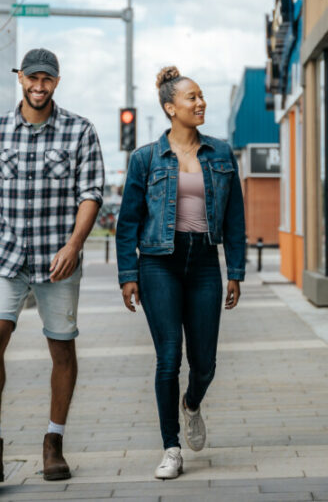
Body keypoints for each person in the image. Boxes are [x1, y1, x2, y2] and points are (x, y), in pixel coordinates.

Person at [0, 48, 104, 483]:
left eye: (47, 80)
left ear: (56, 83)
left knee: (61, 347)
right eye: (32, 78)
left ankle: (53, 442)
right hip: (5, 254)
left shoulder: (80, 131)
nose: (39, 87)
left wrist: (74, 245)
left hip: (57, 260)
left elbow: (91, 193)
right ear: (19, 77)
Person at [115, 66, 246, 480]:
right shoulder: (146, 158)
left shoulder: (222, 154)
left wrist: (236, 270)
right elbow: (128, 222)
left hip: (205, 261)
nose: (200, 102)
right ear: (171, 108)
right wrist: (127, 273)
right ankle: (171, 447)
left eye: (202, 95)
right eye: (192, 98)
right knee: (168, 357)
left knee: (204, 363)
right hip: (159, 263)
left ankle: (192, 404)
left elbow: (236, 218)